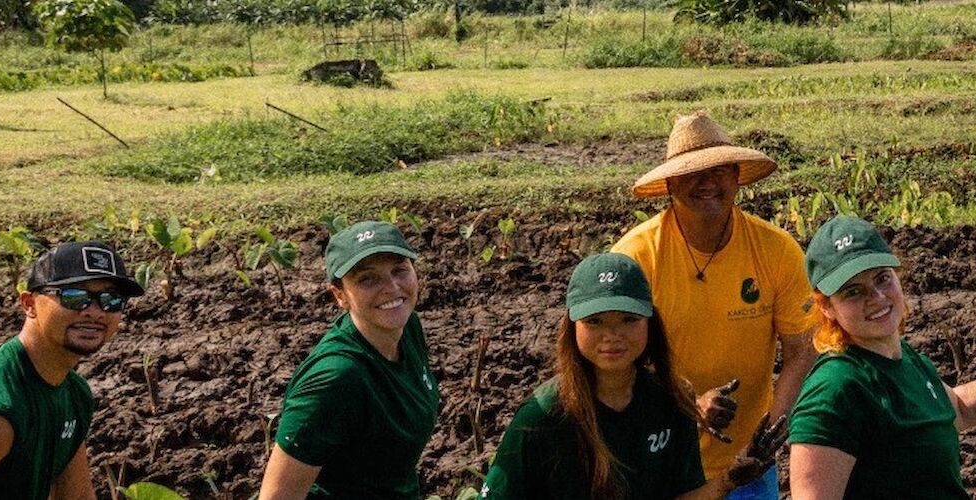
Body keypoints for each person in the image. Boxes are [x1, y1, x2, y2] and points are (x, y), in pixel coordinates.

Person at [611, 112, 816, 498]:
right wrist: (688, 405)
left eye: (720, 170)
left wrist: (767, 438)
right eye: (693, 173)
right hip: (658, 458)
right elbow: (617, 362)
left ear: (737, 177)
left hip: (745, 465)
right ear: (671, 183)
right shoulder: (637, 258)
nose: (708, 182)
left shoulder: (775, 250)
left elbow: (801, 350)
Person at [787, 215, 976, 499]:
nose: (876, 297)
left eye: (882, 278)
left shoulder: (905, 360)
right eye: (853, 291)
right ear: (827, 307)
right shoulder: (835, 389)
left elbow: (960, 409)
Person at [482, 253, 781, 499]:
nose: (612, 336)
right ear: (572, 329)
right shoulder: (542, 416)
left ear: (650, 323)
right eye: (595, 321)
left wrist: (728, 479)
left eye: (629, 320)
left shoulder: (672, 400)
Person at [0, 242, 144, 500]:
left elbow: (77, 495)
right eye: (74, 296)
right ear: (29, 304)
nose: (95, 312)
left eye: (111, 300)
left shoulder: (74, 393)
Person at [260, 221, 440, 500]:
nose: (392, 288)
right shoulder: (336, 379)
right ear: (340, 295)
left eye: (399, 270)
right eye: (368, 278)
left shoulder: (407, 330)